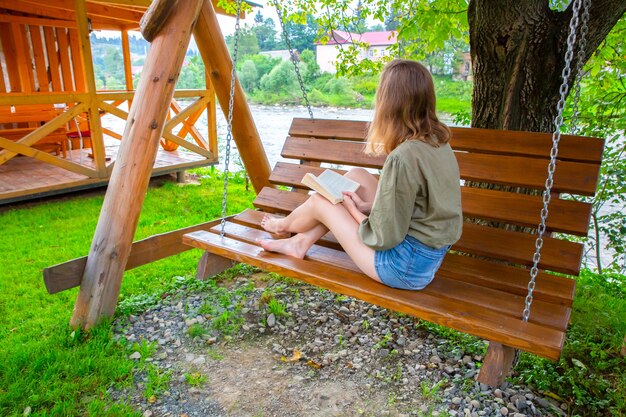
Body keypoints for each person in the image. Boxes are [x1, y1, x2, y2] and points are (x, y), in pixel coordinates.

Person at [260, 59, 462, 290]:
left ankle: (283, 227)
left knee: (319, 201)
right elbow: (418, 207)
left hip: (401, 267)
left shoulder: (402, 157)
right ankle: (300, 242)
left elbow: (383, 236)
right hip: (425, 258)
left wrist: (354, 211)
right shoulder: (437, 143)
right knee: (356, 175)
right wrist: (368, 207)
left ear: (389, 104)